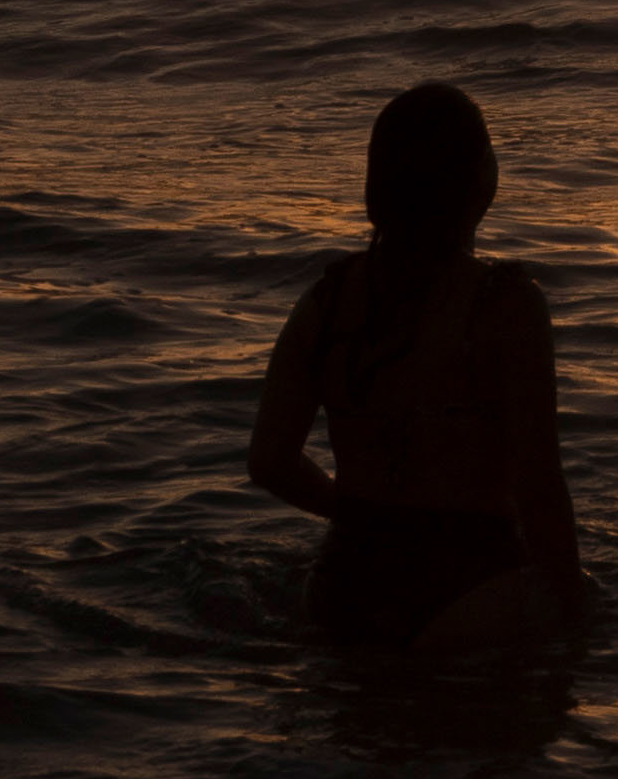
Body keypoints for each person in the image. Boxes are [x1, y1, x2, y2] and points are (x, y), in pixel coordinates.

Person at [246, 84, 589, 653]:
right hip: (472, 581)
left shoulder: (326, 302)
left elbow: (268, 461)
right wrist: (573, 603)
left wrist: (361, 515)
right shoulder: (506, 304)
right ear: (479, 181)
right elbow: (539, 484)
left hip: (343, 581)